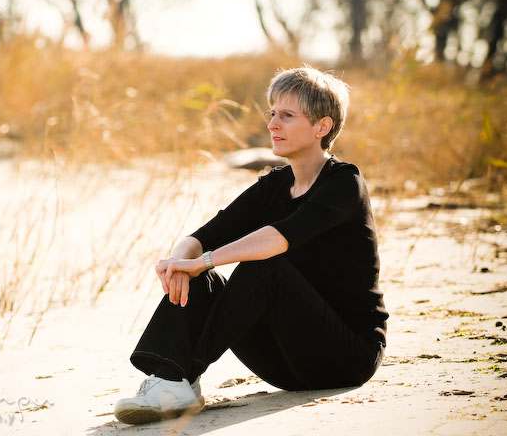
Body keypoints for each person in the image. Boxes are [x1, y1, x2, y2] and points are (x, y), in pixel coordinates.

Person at [114, 66, 389, 425]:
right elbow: (202, 237)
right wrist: (179, 262)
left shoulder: (344, 183)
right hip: (287, 365)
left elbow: (277, 239)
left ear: (322, 127)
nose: (273, 124)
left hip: (347, 356)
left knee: (264, 266)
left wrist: (204, 262)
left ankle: (178, 379)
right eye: (272, 113)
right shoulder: (274, 185)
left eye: (287, 116)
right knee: (198, 272)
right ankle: (175, 378)